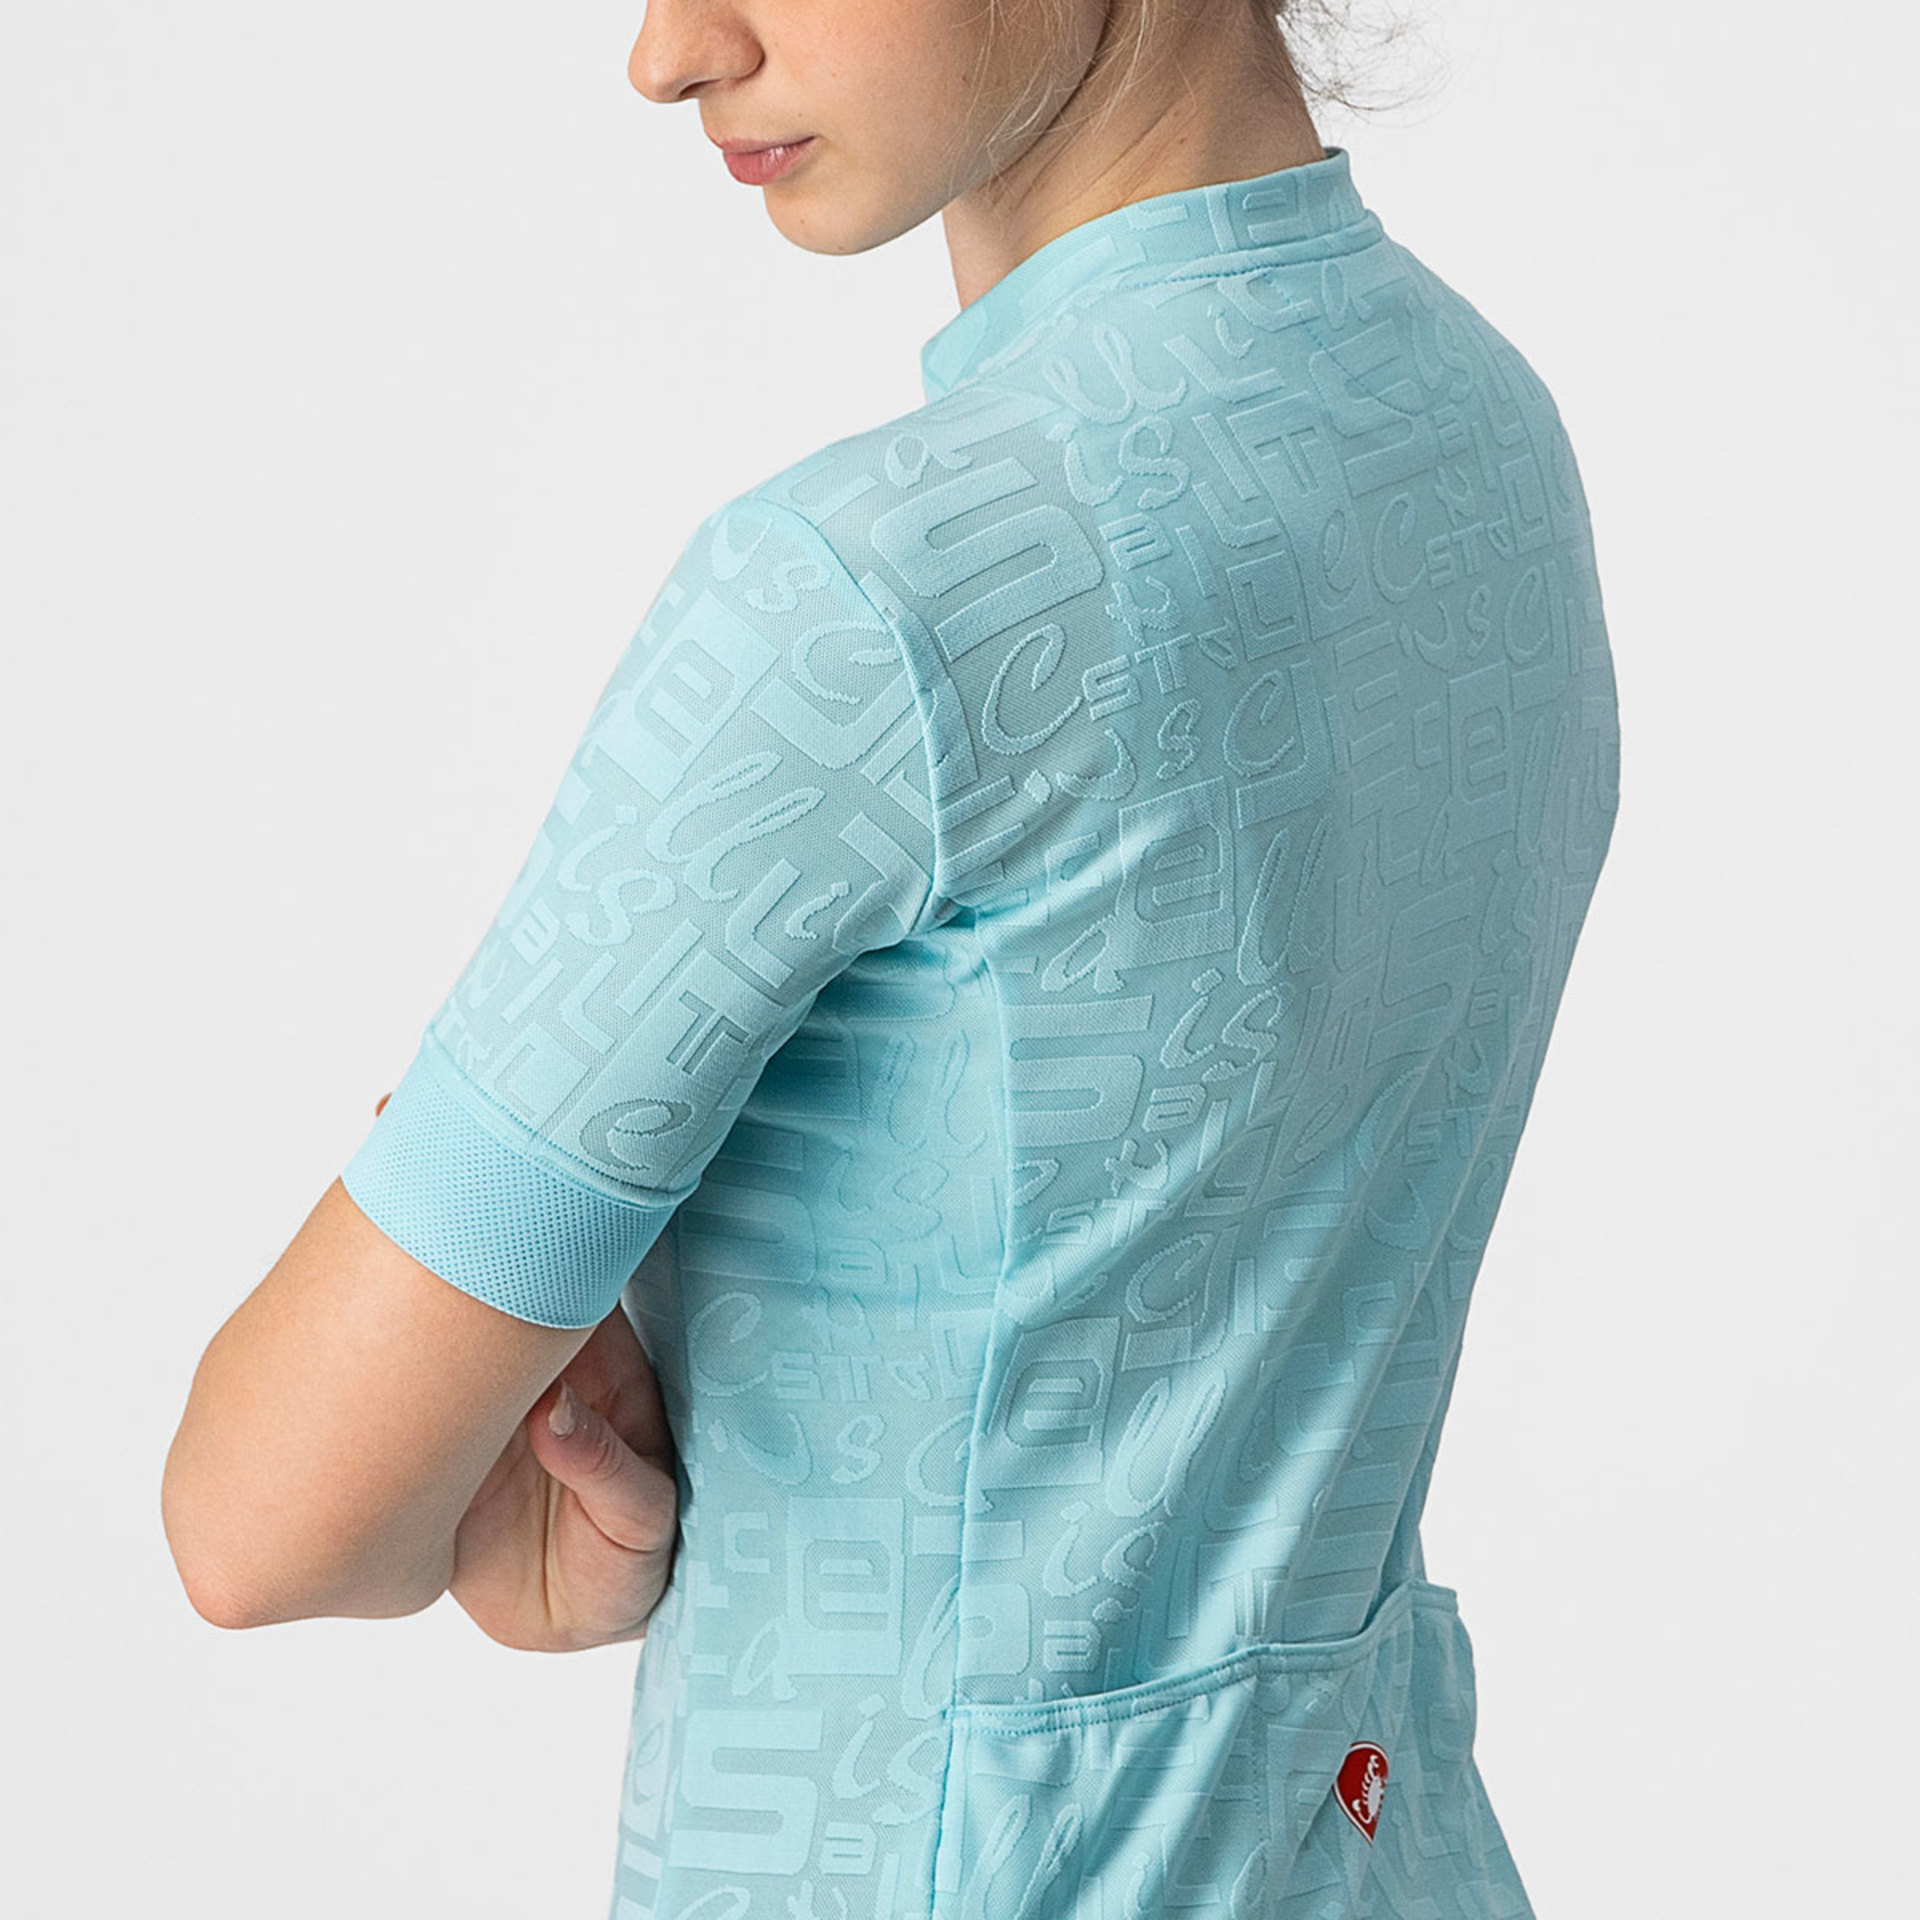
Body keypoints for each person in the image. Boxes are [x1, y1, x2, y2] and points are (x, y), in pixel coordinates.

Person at [162, 2, 1622, 1916]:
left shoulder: (869, 597)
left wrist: (464, 1477)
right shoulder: (1480, 435)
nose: (671, 51)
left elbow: (262, 1523)